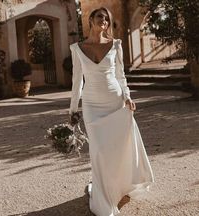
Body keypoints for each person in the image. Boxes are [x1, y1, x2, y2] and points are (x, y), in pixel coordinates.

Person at [69, 7, 154, 216]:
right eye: (100, 17)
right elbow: (77, 81)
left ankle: (118, 187)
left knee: (117, 150)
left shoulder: (116, 45)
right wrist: (73, 109)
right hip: (91, 106)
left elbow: (121, 75)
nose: (104, 21)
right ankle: (103, 198)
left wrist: (127, 96)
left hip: (114, 102)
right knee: (98, 152)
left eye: (107, 19)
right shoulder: (77, 48)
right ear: (91, 20)